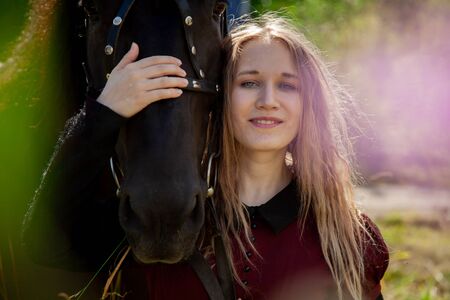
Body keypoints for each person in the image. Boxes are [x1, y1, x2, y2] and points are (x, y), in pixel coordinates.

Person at [23, 12, 388, 300]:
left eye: (288, 85)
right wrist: (104, 113)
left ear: (310, 105)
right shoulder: (166, 220)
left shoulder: (346, 237)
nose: (268, 100)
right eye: (249, 82)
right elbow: (45, 243)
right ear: (219, 97)